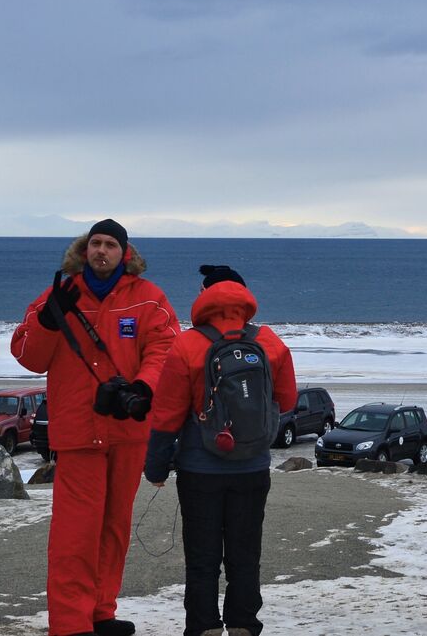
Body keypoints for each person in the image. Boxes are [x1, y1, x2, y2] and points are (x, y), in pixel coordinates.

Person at [11, 218, 180, 636]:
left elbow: (165, 347)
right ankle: (71, 625)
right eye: (95, 244)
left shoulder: (148, 298)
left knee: (114, 526)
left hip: (127, 428)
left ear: (126, 253)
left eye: (110, 245)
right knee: (75, 533)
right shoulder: (58, 295)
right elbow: (28, 355)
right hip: (78, 431)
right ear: (84, 251)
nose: (101, 251)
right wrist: (48, 323)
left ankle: (100, 611)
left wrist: (144, 387)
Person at [145, 265, 297, 636]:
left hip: (200, 470)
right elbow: (288, 400)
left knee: (202, 558)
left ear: (203, 296)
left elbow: (166, 414)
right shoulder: (270, 341)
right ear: (245, 298)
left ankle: (205, 627)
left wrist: (157, 468)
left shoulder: (188, 343)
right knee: (246, 555)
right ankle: (243, 625)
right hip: (252, 468)